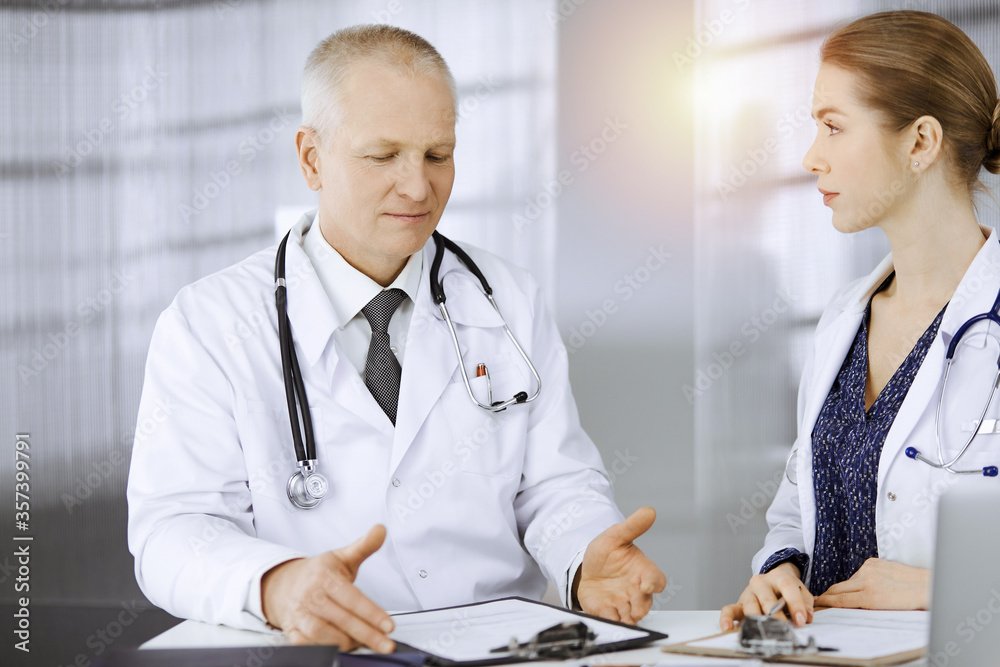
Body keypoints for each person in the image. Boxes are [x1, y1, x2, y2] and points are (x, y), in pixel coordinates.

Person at [127, 25, 666, 651]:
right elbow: (173, 530)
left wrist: (584, 556)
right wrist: (275, 584)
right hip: (310, 652)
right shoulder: (209, 323)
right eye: (383, 156)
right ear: (311, 158)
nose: (418, 187)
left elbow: (554, 486)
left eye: (438, 155)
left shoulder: (506, 299)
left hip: (492, 651)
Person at [721, 10, 1000, 631]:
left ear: (920, 142)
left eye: (833, 128)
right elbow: (797, 508)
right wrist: (780, 571)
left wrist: (948, 587)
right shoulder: (844, 322)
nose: (811, 157)